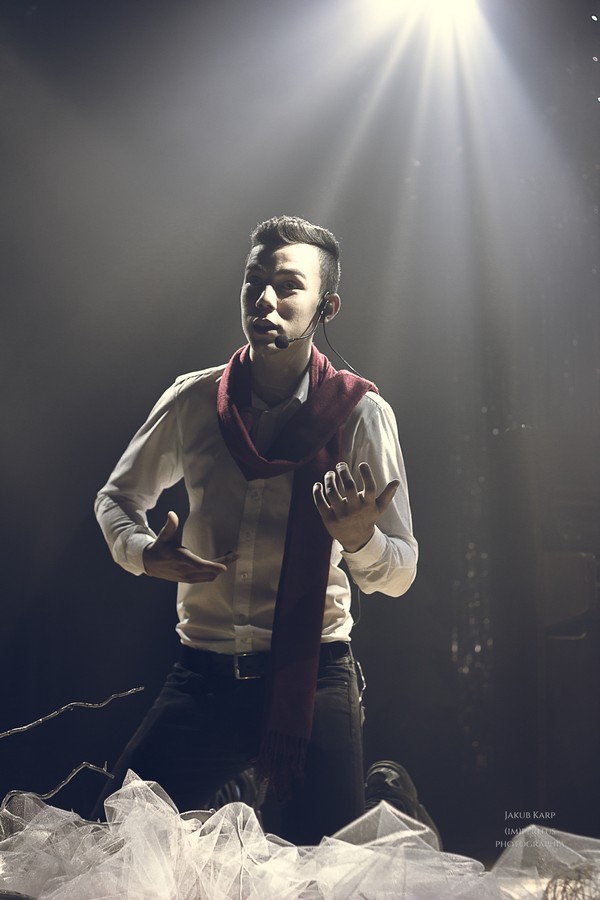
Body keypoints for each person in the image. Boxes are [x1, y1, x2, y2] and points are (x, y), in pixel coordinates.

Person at [92, 215, 418, 844]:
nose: (265, 299)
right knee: (117, 840)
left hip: (313, 675)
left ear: (326, 307)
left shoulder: (359, 415)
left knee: (323, 868)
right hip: (204, 676)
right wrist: (143, 553)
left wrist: (360, 539)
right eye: (254, 281)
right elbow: (117, 499)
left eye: (289, 285)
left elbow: (401, 571)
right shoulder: (194, 401)